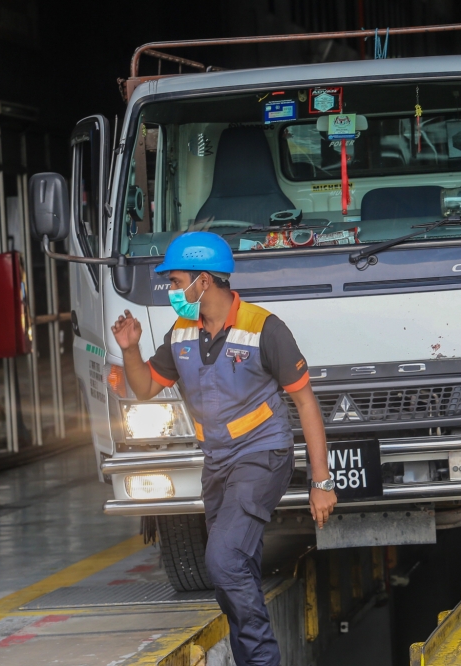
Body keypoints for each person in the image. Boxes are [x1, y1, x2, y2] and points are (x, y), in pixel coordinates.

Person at [110, 231, 336, 666]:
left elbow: (306, 402)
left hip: (263, 455)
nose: (172, 291)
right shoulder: (181, 333)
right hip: (218, 463)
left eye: (175, 282)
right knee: (235, 569)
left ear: (204, 282)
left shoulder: (264, 328)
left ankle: (262, 661)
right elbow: (143, 389)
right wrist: (131, 350)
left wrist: (320, 482)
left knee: (224, 557)